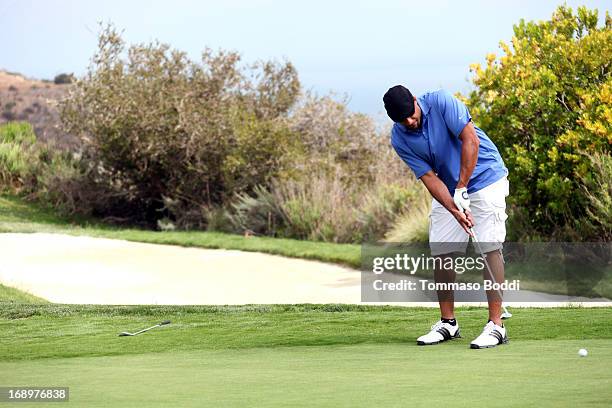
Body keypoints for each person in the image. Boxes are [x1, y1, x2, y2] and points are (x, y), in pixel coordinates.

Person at [383, 85, 510, 349]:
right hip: (450, 187)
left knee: (489, 248)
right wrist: (454, 208)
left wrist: (462, 187)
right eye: (401, 120)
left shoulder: (441, 102)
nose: (409, 121)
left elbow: (470, 140)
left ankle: (497, 326)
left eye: (411, 114)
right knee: (442, 250)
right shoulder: (400, 138)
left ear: (416, 101)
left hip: (486, 178)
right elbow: (429, 177)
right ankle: (448, 323)